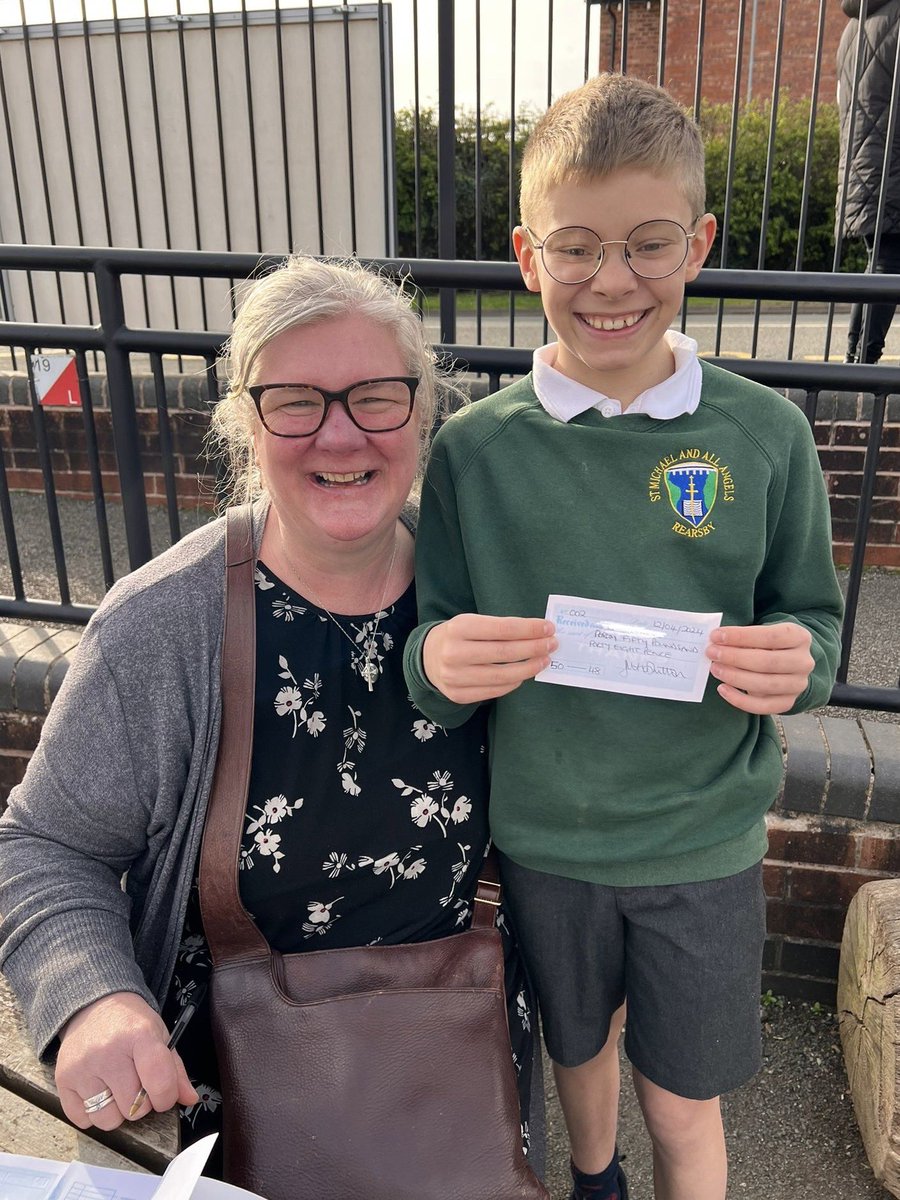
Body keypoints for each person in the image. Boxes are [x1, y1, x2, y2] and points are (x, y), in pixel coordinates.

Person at [0, 256, 540, 1181]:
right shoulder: (163, 627)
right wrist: (93, 1000)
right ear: (247, 422)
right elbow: (47, 844)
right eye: (295, 400)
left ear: (423, 412)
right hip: (241, 1110)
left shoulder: (495, 602)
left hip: (462, 1083)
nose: (339, 436)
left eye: (376, 395)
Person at [403, 73, 844, 1200]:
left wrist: (797, 661)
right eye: (577, 247)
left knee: (684, 1095)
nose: (612, 281)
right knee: (575, 1050)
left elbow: (813, 620)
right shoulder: (473, 451)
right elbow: (434, 639)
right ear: (525, 253)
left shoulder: (767, 436)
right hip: (547, 833)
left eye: (648, 244)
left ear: (697, 244)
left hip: (702, 841)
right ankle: (595, 1183)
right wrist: (434, 664)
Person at [836, 0, 900, 363]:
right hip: (892, 164)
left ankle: (855, 359)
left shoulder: (853, 28)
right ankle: (864, 362)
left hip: (863, 164)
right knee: (886, 262)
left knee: (878, 261)